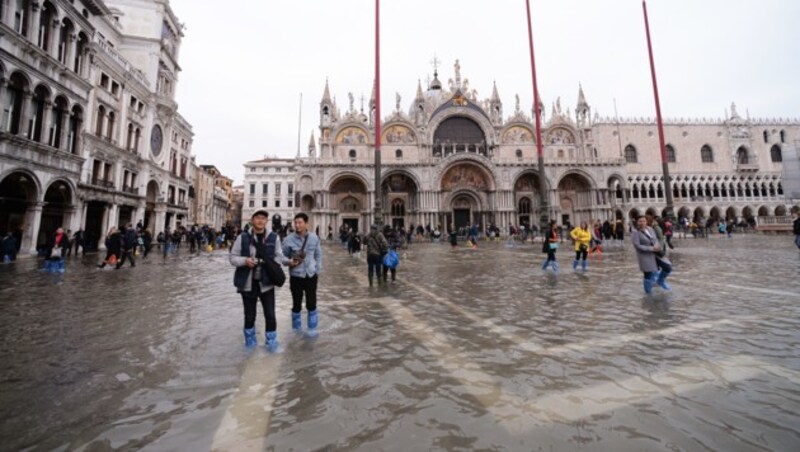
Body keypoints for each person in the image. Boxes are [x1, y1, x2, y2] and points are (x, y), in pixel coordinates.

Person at [230, 210, 286, 351]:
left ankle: (271, 343)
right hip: (248, 284)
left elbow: (279, 256)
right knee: (249, 316)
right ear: (252, 220)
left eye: (263, 218)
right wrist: (245, 261)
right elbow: (232, 257)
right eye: (258, 218)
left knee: (270, 315)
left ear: (267, 221)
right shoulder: (242, 237)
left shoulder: (274, 237)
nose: (260, 221)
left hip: (266, 283)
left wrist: (268, 263)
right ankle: (250, 344)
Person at [282, 213, 322, 337]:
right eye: (296, 222)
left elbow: (318, 255)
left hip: (311, 275)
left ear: (306, 223)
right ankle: (296, 330)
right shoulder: (288, 239)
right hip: (296, 276)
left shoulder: (314, 238)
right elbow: (281, 257)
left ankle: (312, 330)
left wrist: (317, 270)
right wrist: (288, 262)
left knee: (312, 302)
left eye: (300, 222)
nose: (297, 225)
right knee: (296, 303)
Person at [631, 215, 672, 294]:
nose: (642, 223)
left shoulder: (650, 229)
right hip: (645, 256)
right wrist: (651, 248)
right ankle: (648, 293)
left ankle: (660, 280)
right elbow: (637, 245)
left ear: (646, 221)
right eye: (640, 221)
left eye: (644, 221)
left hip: (656, 253)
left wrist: (657, 246)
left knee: (667, 267)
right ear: (637, 222)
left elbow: (655, 239)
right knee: (648, 274)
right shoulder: (635, 232)